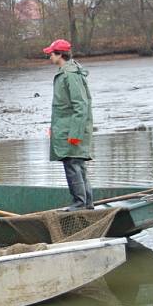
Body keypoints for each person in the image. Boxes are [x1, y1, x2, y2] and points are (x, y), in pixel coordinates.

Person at [43, 39, 94, 211]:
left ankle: (80, 204)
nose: (49, 56)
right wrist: (54, 128)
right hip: (65, 127)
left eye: (51, 53)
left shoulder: (70, 74)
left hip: (72, 129)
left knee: (73, 164)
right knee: (76, 164)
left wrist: (75, 133)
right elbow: (62, 108)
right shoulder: (66, 72)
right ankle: (86, 204)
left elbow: (80, 106)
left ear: (60, 55)